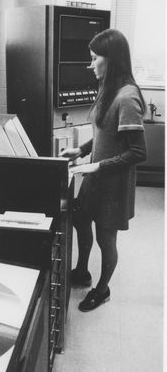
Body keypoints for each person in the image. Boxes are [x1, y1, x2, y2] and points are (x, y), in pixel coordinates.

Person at [60, 29, 147, 312]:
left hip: (113, 185)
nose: (91, 64)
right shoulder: (108, 90)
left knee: (105, 238)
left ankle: (102, 288)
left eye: (94, 58)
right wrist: (82, 151)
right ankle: (82, 270)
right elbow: (103, 134)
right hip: (95, 179)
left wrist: (96, 165)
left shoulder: (127, 98)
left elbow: (137, 152)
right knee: (80, 219)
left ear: (111, 59)